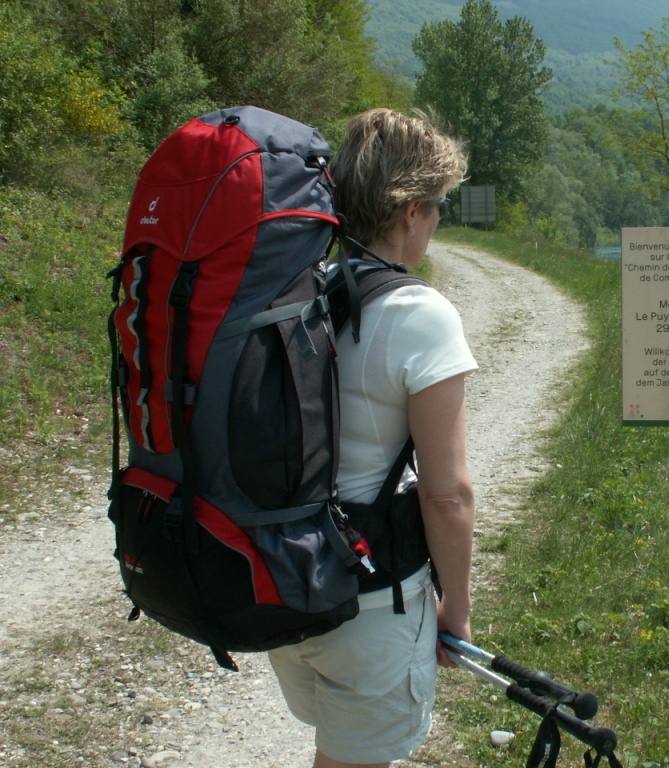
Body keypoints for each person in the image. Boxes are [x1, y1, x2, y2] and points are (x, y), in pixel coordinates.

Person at [268, 108, 476, 768]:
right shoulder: (419, 314)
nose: (437, 220)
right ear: (411, 211)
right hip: (371, 601)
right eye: (438, 205)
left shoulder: (304, 290)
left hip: (290, 578)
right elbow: (447, 495)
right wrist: (457, 605)